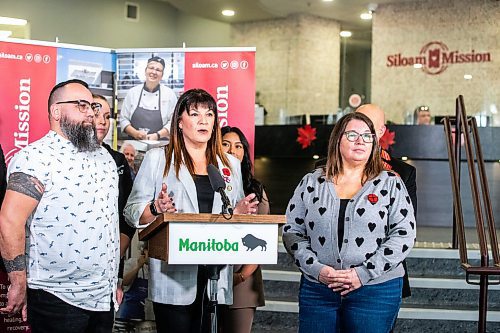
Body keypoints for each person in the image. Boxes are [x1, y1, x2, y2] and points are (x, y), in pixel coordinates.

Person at [124, 88, 259, 333]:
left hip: (216, 276)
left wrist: (240, 211)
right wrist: (156, 208)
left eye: (209, 114)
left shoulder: (230, 164)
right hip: (173, 277)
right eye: (195, 114)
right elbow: (131, 211)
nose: (203, 120)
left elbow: (235, 216)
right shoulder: (159, 158)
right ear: (179, 122)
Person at [0, 79, 120, 332]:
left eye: (92, 106)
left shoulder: (105, 158)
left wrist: (114, 282)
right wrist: (18, 281)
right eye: (81, 105)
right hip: (56, 297)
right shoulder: (35, 158)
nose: (91, 112)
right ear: (56, 112)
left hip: (102, 297)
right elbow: (11, 221)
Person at [283, 112, 416, 333]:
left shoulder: (391, 183)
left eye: (367, 135)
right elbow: (292, 231)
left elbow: (404, 235)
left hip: (376, 289)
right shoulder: (311, 182)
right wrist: (317, 270)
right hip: (318, 289)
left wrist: (362, 274)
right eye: (352, 134)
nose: (360, 141)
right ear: (337, 140)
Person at [357, 103, 417, 304]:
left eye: (369, 126)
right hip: (331, 277)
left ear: (381, 131)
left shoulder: (403, 173)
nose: (361, 130)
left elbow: (404, 228)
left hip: (384, 276)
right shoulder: (324, 170)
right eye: (356, 123)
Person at [220, 126, 267, 333]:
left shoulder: (255, 189)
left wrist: (242, 275)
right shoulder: (206, 183)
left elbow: (262, 237)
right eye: (226, 144)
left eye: (238, 146)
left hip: (243, 280)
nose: (232, 150)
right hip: (208, 277)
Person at [119, 56, 177, 141]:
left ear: (162, 75)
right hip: (134, 147)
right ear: (145, 71)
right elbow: (124, 119)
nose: (154, 72)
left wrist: (157, 135)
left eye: (158, 70)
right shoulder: (133, 92)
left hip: (160, 145)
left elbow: (173, 122)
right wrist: (135, 133)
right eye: (151, 68)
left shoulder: (169, 95)